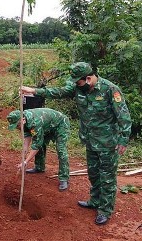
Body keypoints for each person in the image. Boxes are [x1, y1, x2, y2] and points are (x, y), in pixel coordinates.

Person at [21, 62, 132, 225]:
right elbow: (58, 92)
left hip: (108, 142)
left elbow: (123, 116)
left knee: (107, 177)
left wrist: (123, 139)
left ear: (88, 78)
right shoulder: (77, 87)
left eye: (78, 82)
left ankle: (105, 210)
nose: (75, 85)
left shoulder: (110, 89)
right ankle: (95, 201)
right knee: (93, 173)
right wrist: (33, 90)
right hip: (90, 140)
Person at [7, 108, 70, 191]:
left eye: (17, 125)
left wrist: (26, 162)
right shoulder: (25, 122)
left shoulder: (34, 123)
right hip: (47, 126)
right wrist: (23, 159)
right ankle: (39, 167)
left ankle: (64, 178)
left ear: (23, 120)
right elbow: (26, 143)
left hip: (60, 124)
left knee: (61, 149)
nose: (17, 128)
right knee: (40, 143)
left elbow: (36, 145)